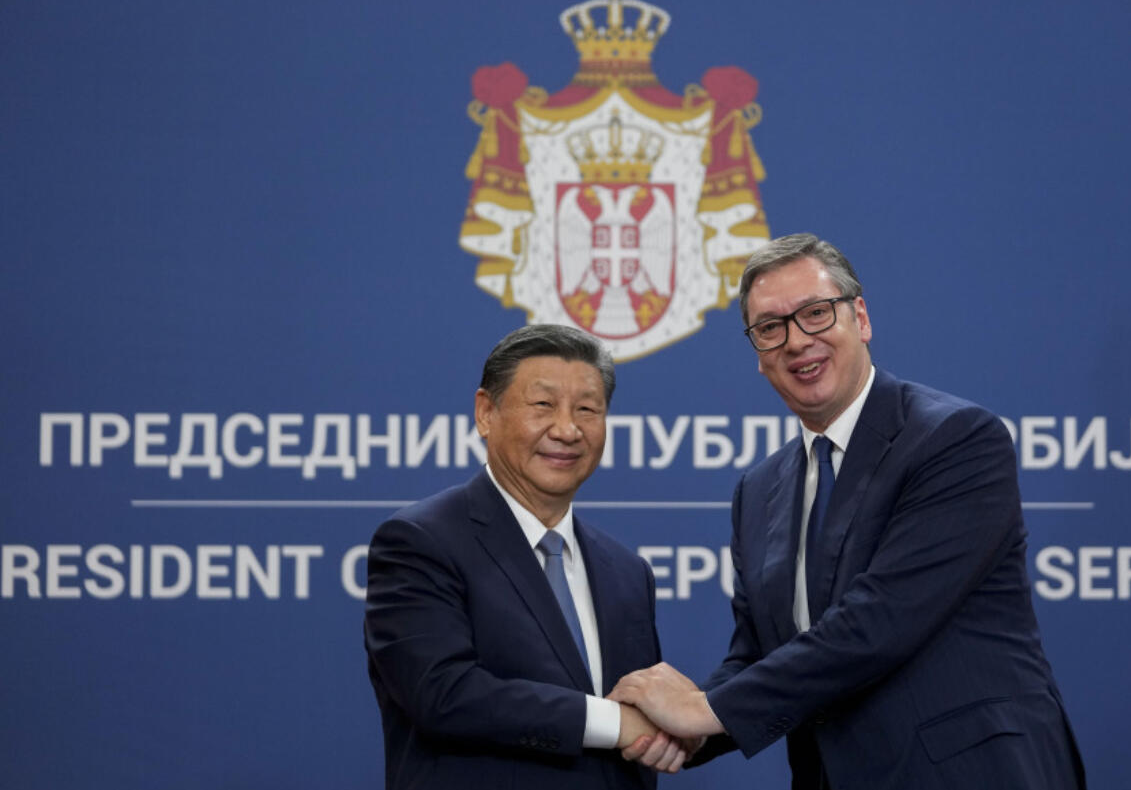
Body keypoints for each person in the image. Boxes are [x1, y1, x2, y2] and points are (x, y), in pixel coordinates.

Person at [611, 234, 1085, 789]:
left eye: (815, 313)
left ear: (859, 317)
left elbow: (876, 622)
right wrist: (686, 733)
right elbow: (760, 655)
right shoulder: (758, 490)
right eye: (770, 328)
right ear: (758, 356)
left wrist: (703, 710)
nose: (796, 341)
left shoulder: (955, 440)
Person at [364, 324, 686, 790]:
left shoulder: (627, 572)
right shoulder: (420, 541)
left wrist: (681, 722)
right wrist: (614, 722)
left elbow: (644, 731)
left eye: (587, 409)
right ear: (485, 413)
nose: (567, 429)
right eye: (543, 405)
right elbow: (442, 693)